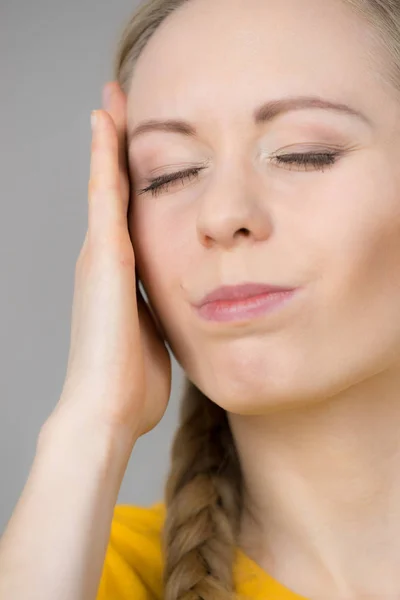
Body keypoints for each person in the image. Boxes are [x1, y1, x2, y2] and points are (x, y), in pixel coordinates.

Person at [1, 0, 400, 598]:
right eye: (169, 174)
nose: (221, 215)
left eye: (303, 154)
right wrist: (91, 423)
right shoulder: (82, 568)